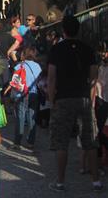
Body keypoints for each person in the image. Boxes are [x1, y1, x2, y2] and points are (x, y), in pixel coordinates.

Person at [47, 16, 102, 192]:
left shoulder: (57, 49)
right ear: (78, 30)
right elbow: (94, 77)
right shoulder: (88, 49)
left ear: (64, 30)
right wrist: (91, 99)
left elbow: (51, 77)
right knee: (90, 140)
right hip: (84, 97)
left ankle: (61, 181)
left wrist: (51, 100)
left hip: (63, 98)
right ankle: (96, 181)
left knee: (61, 142)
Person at [8, 46, 42, 151]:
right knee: (32, 118)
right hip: (34, 94)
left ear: (24, 54)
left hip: (21, 95)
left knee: (20, 118)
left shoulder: (19, 66)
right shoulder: (38, 66)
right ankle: (31, 142)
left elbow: (14, 81)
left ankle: (17, 143)